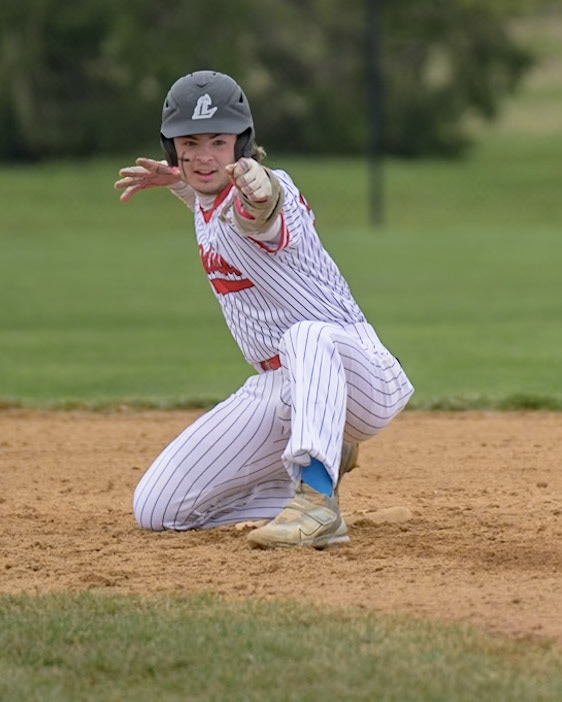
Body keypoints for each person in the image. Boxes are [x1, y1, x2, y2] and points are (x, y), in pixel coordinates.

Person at [114, 70, 414, 549]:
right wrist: (181, 184)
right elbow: (209, 200)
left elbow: (261, 210)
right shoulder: (205, 198)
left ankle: (318, 502)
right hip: (286, 387)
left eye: (219, 140)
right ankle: (312, 465)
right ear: (173, 149)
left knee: (305, 334)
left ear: (243, 143)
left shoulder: (266, 195)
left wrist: (261, 187)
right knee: (157, 507)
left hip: (359, 373)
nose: (205, 155)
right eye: (190, 143)